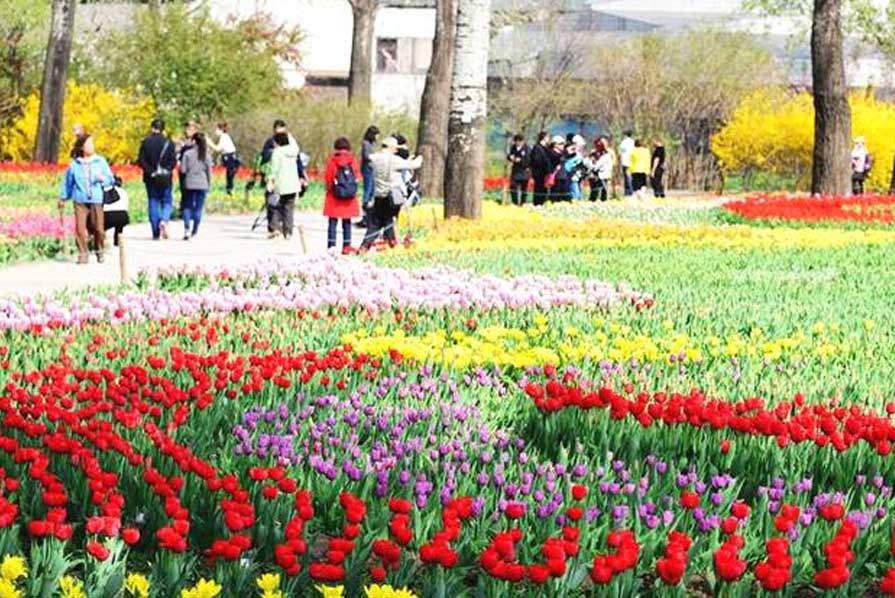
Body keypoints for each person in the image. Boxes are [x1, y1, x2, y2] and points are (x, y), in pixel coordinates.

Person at [59, 133, 113, 264]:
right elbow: (67, 183)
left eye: (92, 143)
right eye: (88, 144)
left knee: (98, 228)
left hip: (96, 199)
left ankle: (99, 249)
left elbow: (110, 179)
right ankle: (83, 253)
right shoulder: (74, 165)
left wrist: (103, 179)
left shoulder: (100, 161)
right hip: (80, 200)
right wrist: (63, 197)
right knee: (80, 228)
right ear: (82, 148)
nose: (92, 146)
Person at [362, 137, 422, 250]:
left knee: (376, 223)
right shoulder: (394, 160)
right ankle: (392, 245)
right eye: (395, 148)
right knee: (390, 221)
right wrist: (420, 157)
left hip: (379, 195)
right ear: (390, 147)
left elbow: (368, 159)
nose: (396, 150)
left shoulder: (375, 158)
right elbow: (415, 165)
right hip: (391, 196)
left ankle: (364, 247)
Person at [261, 120, 308, 232]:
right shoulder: (291, 148)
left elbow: (276, 168)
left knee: (276, 205)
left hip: (279, 182)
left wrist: (302, 176)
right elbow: (264, 157)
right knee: (286, 208)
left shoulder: (282, 150)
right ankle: (285, 230)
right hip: (291, 183)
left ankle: (276, 228)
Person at [138, 118, 177, 240]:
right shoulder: (169, 143)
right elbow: (173, 161)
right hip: (165, 178)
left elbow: (141, 160)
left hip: (151, 178)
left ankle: (155, 232)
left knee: (153, 202)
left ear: (152, 128)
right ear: (163, 129)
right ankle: (164, 219)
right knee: (166, 201)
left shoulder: (146, 142)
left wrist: (151, 172)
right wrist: (167, 170)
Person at [323, 137, 361, 252]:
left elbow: (328, 178)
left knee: (332, 223)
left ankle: (331, 246)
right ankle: (346, 246)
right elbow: (358, 177)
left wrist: (331, 188)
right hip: (349, 198)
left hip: (334, 196)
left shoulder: (332, 161)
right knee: (347, 222)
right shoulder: (352, 160)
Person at [266, 131, 302, 239]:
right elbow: (295, 145)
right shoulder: (293, 151)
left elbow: (274, 169)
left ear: (277, 142)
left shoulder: (277, 152)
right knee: (289, 209)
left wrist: (270, 181)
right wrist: (291, 137)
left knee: (274, 206)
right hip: (293, 185)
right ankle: (288, 232)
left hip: (281, 185)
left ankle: (276, 228)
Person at [179, 132, 212, 240]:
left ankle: (186, 228)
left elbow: (183, 170)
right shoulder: (206, 155)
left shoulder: (187, 154)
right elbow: (209, 172)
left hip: (189, 183)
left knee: (187, 206)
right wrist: (209, 184)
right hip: (202, 183)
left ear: (193, 141)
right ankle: (195, 231)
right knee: (198, 208)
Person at [358, 125, 380, 227]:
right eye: (376, 135)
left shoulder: (371, 144)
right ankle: (365, 213)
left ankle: (369, 214)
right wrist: (376, 157)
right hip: (367, 169)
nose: (377, 137)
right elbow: (366, 156)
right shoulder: (366, 144)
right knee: (368, 190)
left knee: (372, 191)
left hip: (372, 169)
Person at [209, 122, 239, 196]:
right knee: (229, 174)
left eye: (216, 129)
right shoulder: (224, 137)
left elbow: (218, 149)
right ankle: (229, 190)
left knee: (230, 174)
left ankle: (230, 190)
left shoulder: (224, 137)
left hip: (230, 157)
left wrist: (209, 143)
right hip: (229, 157)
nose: (215, 131)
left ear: (220, 130)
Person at [506, 134, 530, 206]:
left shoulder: (527, 148)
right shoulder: (513, 147)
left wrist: (520, 160)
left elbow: (528, 160)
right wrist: (510, 157)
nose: (518, 143)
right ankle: (515, 203)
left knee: (524, 188)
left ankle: (523, 203)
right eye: (516, 141)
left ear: (522, 142)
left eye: (520, 141)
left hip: (524, 172)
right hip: (515, 171)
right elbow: (509, 156)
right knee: (513, 187)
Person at [529, 132, 552, 206]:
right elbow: (536, 160)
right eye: (548, 137)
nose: (549, 139)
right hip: (539, 173)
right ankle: (537, 204)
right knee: (538, 189)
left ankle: (543, 202)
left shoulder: (547, 148)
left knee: (544, 190)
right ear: (544, 138)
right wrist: (545, 163)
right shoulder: (537, 148)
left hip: (545, 173)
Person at [547, 136, 570, 202]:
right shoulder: (551, 153)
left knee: (566, 196)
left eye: (563, 144)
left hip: (563, 176)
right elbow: (556, 160)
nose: (563, 145)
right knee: (555, 196)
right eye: (561, 143)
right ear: (555, 144)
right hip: (556, 177)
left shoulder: (563, 153)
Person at [619, 130, 635, 197]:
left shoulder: (624, 142)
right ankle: (631, 191)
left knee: (627, 178)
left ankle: (629, 192)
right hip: (632, 162)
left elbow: (620, 152)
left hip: (625, 162)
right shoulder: (633, 142)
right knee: (631, 177)